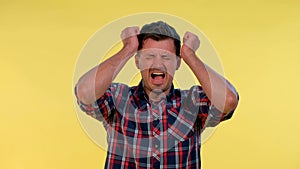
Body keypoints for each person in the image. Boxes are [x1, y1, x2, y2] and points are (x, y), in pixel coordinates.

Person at [75, 21, 239, 169]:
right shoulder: (119, 98)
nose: (158, 64)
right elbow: (85, 92)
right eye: (150, 56)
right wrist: (129, 48)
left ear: (177, 63)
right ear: (137, 61)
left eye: (166, 57)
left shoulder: (192, 102)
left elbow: (229, 100)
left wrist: (189, 54)